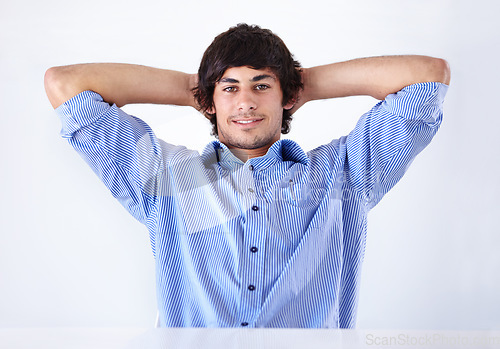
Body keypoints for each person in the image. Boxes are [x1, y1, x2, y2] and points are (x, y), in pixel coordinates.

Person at [44, 23, 450, 328]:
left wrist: (302, 83)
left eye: (261, 85)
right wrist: (193, 87)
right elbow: (65, 85)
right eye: (230, 87)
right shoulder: (166, 179)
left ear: (287, 97)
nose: (245, 102)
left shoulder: (344, 176)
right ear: (209, 101)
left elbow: (428, 76)